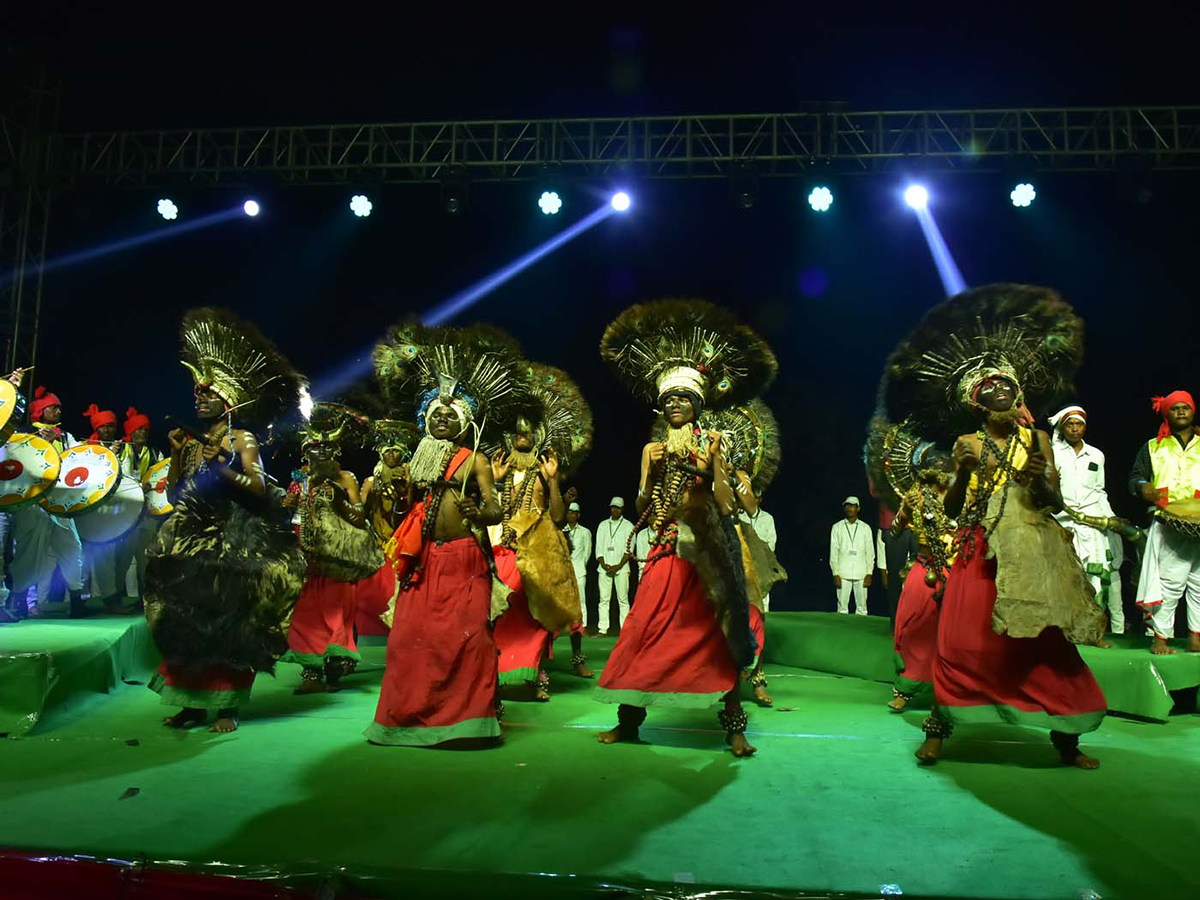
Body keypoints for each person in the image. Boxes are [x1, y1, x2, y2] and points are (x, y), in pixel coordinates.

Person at [885, 284, 1107, 768]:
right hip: (977, 550)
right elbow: (953, 508)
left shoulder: (1039, 439)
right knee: (960, 640)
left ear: (1018, 395)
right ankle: (939, 730)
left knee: (1045, 642)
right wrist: (963, 472)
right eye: (991, 392)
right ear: (977, 404)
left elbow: (1055, 500)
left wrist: (1039, 479)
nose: (1002, 394)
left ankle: (1066, 739)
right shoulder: (966, 442)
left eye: (1008, 388)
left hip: (1032, 549)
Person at [596, 299, 775, 757]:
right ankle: (629, 722)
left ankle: (734, 727)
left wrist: (713, 464)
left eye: (683, 398)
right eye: (668, 399)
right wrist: (651, 474)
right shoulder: (652, 448)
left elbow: (724, 502)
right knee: (643, 630)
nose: (675, 404)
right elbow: (641, 503)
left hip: (706, 553)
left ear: (696, 403)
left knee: (718, 634)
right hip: (663, 549)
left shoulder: (714, 444)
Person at [147, 308, 306, 734]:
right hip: (190, 541)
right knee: (185, 621)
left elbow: (256, 488)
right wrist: (179, 454)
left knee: (227, 626)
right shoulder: (192, 441)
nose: (198, 398)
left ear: (228, 401)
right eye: (196, 393)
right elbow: (174, 494)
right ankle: (189, 704)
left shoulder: (242, 439)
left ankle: (227, 705)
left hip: (233, 541)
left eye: (207, 393)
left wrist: (225, 469)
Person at [366, 322, 519, 748]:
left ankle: (470, 722)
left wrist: (477, 508)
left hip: (467, 558)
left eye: (452, 415)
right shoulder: (416, 461)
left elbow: (494, 508)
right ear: (427, 420)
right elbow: (404, 511)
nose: (444, 418)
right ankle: (407, 719)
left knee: (467, 642)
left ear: (463, 423)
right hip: (425, 559)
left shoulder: (477, 461)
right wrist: (398, 498)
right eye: (437, 414)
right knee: (408, 643)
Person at [490, 361, 592, 699]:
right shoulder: (500, 468)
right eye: (517, 431)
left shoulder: (545, 469)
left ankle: (536, 673)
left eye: (528, 431)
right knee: (503, 610)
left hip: (540, 548)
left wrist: (551, 481)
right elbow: (491, 510)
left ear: (537, 435)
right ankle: (498, 672)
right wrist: (495, 480)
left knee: (537, 613)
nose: (523, 436)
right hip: (504, 547)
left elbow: (560, 517)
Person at [281, 406, 383, 693]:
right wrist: (286, 502)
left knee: (337, 614)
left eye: (329, 450)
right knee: (305, 614)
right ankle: (311, 671)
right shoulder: (299, 481)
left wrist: (340, 501)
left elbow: (360, 517)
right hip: (306, 558)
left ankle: (335, 668)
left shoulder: (346, 478)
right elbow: (289, 513)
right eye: (317, 449)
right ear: (305, 453)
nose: (324, 455)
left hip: (338, 559)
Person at [1129, 390, 1200, 654]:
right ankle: (1161, 638)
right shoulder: (1153, 446)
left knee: (1199, 583)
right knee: (1170, 581)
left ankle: (1196, 637)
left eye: (1186, 408)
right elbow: (1134, 478)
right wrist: (1142, 486)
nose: (1181, 412)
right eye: (1175, 408)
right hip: (1169, 522)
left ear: (1193, 411)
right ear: (1166, 413)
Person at [6, 384, 86, 618]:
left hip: (61, 503)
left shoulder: (67, 437)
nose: (58, 412)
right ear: (40, 411)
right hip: (32, 504)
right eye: (53, 408)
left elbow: (80, 462)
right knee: (28, 551)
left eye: (59, 409)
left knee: (72, 548)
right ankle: (20, 600)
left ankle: (77, 602)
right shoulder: (23, 436)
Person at [1049, 405, 1127, 642]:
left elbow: (1099, 490)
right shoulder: (1052, 453)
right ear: (1063, 427)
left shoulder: (1096, 454)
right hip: (1062, 523)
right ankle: (1067, 634)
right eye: (1070, 424)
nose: (1075, 428)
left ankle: (1098, 632)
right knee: (1068, 579)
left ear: (1085, 426)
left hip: (1093, 523)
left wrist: (1109, 518)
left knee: (1098, 577)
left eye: (1079, 424)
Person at [80, 403, 129, 612]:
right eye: (104, 426)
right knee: (80, 557)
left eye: (111, 426)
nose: (107, 430)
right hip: (85, 509)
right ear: (96, 428)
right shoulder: (85, 447)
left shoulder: (124, 448)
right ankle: (78, 602)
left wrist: (114, 455)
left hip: (108, 511)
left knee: (105, 555)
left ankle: (110, 600)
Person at [115, 407, 164, 609]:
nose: (142, 433)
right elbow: (116, 477)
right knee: (122, 558)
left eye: (145, 429)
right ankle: (116, 597)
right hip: (125, 514)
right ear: (130, 432)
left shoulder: (155, 453)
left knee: (145, 560)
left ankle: (144, 600)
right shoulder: (122, 451)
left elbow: (162, 477)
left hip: (147, 513)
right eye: (138, 430)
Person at [595, 498, 635, 634]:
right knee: (603, 599)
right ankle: (602, 629)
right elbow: (598, 548)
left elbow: (629, 550)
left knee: (623, 599)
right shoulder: (603, 525)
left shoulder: (629, 526)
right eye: (613, 507)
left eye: (618, 507)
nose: (615, 510)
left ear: (622, 509)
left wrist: (618, 566)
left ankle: (625, 630)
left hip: (622, 568)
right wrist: (604, 564)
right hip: (604, 567)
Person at [830, 496, 873, 614]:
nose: (849, 508)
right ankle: (840, 631)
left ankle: (862, 630)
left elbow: (870, 552)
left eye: (852, 505)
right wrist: (835, 573)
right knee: (842, 608)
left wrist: (869, 572)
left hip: (861, 572)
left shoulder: (865, 528)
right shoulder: (837, 527)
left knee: (862, 608)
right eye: (847, 505)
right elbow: (833, 552)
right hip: (843, 571)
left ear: (858, 508)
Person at [876, 518, 918, 626]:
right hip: (894, 527)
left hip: (918, 527)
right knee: (895, 582)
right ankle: (896, 625)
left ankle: (916, 625)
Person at [563, 501, 593, 630]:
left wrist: (581, 564)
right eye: (569, 512)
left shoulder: (585, 532)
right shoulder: (562, 530)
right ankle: (565, 626)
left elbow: (588, 552)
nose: (571, 515)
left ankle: (583, 626)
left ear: (578, 515)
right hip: (564, 571)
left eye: (574, 513)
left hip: (579, 569)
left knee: (581, 599)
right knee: (565, 600)